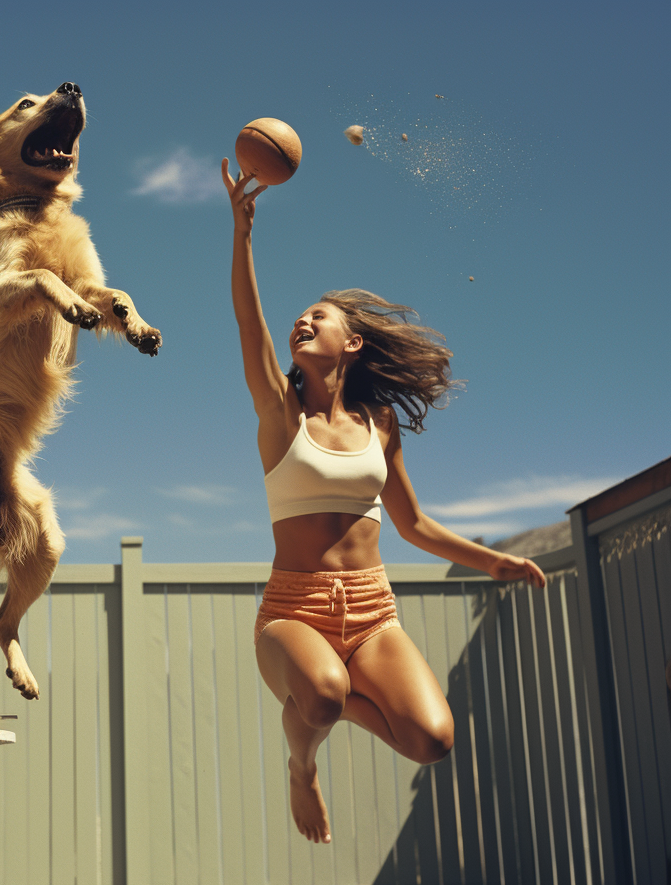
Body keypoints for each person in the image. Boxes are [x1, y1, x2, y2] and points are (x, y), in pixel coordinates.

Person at [222, 161, 546, 845]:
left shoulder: (380, 425)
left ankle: (326, 709)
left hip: (373, 611)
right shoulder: (282, 413)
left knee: (431, 739)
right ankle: (302, 765)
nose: (302, 322)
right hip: (294, 611)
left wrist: (494, 561)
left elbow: (414, 523)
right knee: (322, 693)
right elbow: (250, 328)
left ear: (353, 343)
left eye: (321, 317)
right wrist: (242, 233)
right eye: (300, 318)